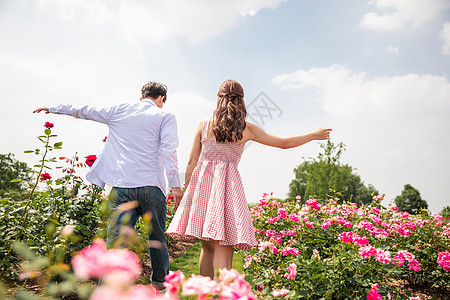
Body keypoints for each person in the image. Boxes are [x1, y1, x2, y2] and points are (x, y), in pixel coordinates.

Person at [166, 79, 332, 279]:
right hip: (228, 189)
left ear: (219, 99)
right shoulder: (246, 129)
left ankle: (205, 294)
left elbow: (192, 161)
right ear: (242, 100)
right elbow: (284, 143)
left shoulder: (204, 125)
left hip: (204, 189)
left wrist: (187, 193)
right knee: (225, 246)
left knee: (207, 249)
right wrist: (312, 135)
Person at [33, 81, 183, 291]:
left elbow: (84, 111)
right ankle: (161, 287)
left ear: (141, 97)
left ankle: (108, 290)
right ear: (161, 99)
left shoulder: (118, 110)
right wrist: (175, 186)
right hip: (152, 186)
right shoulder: (165, 116)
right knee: (156, 238)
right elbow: (170, 151)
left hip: (122, 188)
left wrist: (53, 108)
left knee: (115, 242)